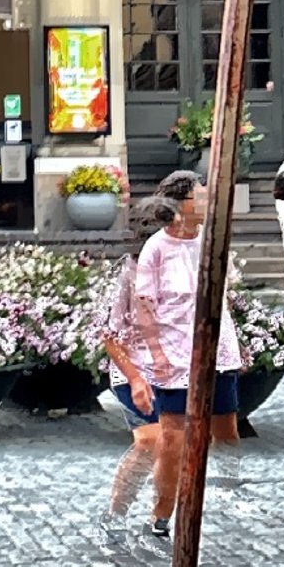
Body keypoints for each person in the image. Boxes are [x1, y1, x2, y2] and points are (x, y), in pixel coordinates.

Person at [131, 169, 245, 538]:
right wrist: (157, 356)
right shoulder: (157, 249)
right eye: (202, 196)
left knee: (225, 427)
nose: (208, 202)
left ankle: (217, 491)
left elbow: (223, 292)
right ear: (182, 205)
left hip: (216, 351)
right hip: (175, 355)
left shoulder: (212, 242)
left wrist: (231, 337)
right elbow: (144, 308)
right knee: (174, 437)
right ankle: (163, 511)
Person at [94, 194, 180, 528]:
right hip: (134, 369)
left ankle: (161, 520)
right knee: (150, 441)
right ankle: (115, 515)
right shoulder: (130, 275)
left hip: (174, 372)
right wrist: (135, 378)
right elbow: (110, 335)